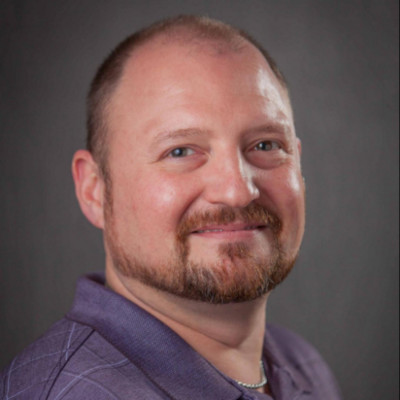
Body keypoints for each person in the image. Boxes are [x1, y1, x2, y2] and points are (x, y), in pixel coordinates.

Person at [0, 15, 342, 400]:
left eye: (265, 145)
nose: (237, 191)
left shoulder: (302, 366)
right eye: (180, 151)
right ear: (94, 190)